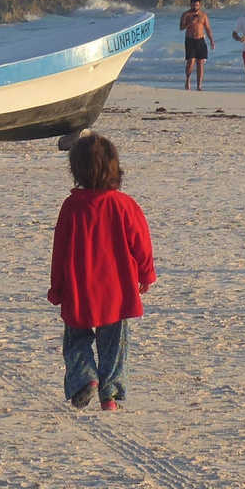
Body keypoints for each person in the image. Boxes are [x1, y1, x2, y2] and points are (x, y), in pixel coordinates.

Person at [47, 134, 156, 412]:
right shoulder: (124, 205)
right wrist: (146, 274)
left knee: (76, 340)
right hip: (117, 290)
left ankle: (86, 380)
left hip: (78, 288)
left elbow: (59, 251)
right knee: (115, 346)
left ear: (76, 171)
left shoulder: (71, 207)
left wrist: (56, 288)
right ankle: (110, 394)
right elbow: (141, 243)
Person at [179, 0, 215, 91]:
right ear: (190, 4)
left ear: (200, 5)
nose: (195, 7)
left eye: (197, 5)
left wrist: (211, 40)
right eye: (194, 5)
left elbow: (208, 28)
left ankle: (199, 86)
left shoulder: (203, 15)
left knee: (200, 63)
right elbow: (181, 28)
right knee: (190, 62)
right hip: (190, 40)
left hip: (200, 40)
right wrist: (190, 22)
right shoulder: (186, 14)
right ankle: (188, 80)